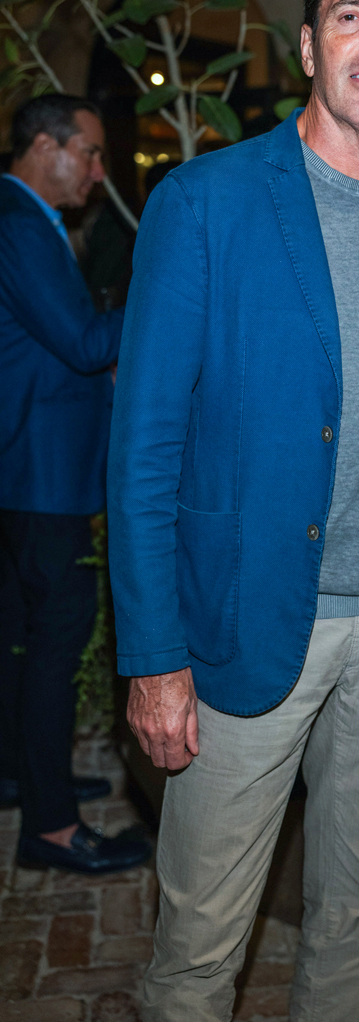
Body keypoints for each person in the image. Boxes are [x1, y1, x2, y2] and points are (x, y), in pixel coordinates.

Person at [107, 0, 359, 1022]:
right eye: (350, 17)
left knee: (356, 916)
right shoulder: (205, 203)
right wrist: (154, 657)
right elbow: (142, 449)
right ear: (309, 46)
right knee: (201, 943)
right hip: (245, 625)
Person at [0, 94, 150, 875]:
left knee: (20, 636)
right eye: (88, 153)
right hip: (41, 473)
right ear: (43, 146)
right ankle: (51, 827)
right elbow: (85, 343)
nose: (97, 171)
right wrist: (163, 291)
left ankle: (24, 777)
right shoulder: (21, 223)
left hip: (28, 467)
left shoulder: (24, 218)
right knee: (56, 644)